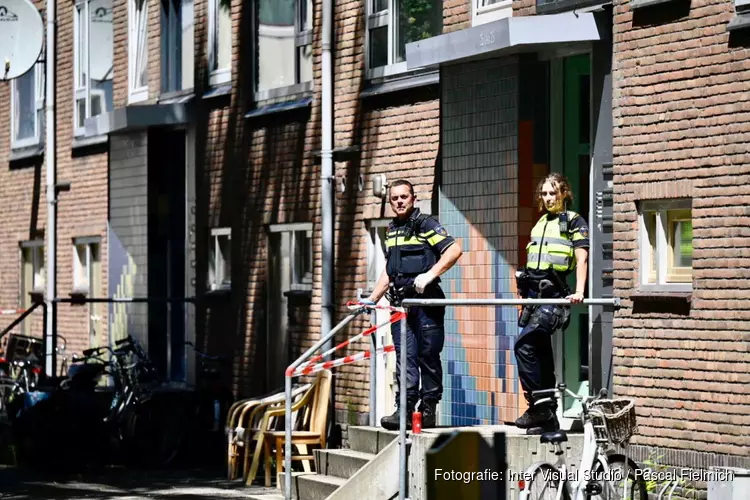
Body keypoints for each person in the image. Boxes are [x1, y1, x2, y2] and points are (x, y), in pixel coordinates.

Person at [362, 179, 462, 431]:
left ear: (413, 198)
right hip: (401, 306)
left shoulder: (425, 224)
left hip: (426, 301)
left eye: (403, 197)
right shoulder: (392, 230)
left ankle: (428, 409)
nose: (399, 201)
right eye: (394, 198)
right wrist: (372, 298)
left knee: (427, 355)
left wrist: (429, 274)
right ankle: (404, 410)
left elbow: (454, 250)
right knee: (404, 358)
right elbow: (390, 270)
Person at [514, 173, 589, 434]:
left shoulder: (574, 221)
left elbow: (581, 259)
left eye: (553, 193)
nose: (548, 198)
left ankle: (540, 407)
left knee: (524, 346)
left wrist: (579, 291)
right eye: (544, 194)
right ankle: (549, 418)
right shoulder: (541, 223)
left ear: (564, 193)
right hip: (533, 296)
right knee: (541, 355)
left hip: (554, 295)